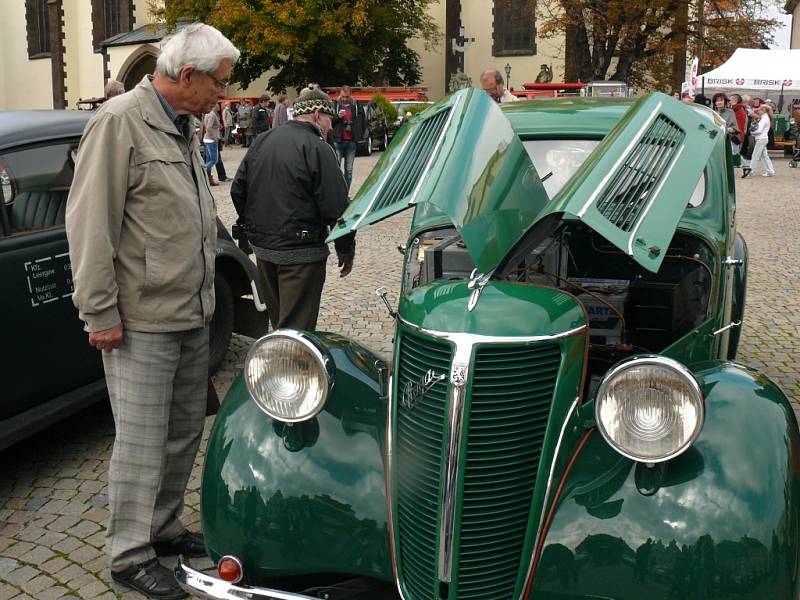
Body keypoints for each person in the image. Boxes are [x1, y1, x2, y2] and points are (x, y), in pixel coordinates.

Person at [65, 23, 239, 600]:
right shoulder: (119, 124)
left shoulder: (184, 127)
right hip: (139, 321)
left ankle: (162, 527)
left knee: (182, 431)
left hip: (191, 314)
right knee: (141, 440)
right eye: (219, 82)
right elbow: (90, 226)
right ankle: (128, 554)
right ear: (187, 76)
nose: (225, 94)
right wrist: (98, 313)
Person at [231, 84, 356, 331]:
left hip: (265, 251)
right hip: (301, 254)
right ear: (318, 115)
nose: (332, 127)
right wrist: (346, 250)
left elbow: (238, 190)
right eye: (330, 120)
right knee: (297, 332)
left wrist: (254, 232)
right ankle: (293, 368)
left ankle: (280, 365)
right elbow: (337, 207)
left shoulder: (263, 140)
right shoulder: (319, 148)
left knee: (279, 324)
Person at [331, 85, 365, 191]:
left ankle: (345, 194)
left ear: (351, 95)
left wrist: (359, 135)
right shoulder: (334, 105)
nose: (345, 99)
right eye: (343, 96)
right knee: (336, 170)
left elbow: (363, 121)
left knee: (349, 170)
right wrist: (338, 116)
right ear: (340, 95)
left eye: (347, 96)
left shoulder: (356, 105)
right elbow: (329, 121)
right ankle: (338, 194)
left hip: (351, 141)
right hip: (338, 141)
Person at [745, 104, 775, 177]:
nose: (758, 111)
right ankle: (770, 171)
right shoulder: (765, 118)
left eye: (760, 110)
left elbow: (759, 131)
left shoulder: (764, 119)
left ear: (764, 111)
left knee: (755, 155)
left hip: (761, 139)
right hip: (763, 139)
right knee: (764, 156)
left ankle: (751, 171)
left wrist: (752, 132)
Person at [712, 93, 741, 165]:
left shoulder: (730, 112)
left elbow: (735, 128)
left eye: (721, 100)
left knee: (728, 161)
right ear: (715, 102)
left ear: (725, 101)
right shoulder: (712, 113)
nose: (719, 102)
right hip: (715, 140)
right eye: (717, 100)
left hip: (727, 140)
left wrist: (724, 130)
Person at [203, 106, 222, 185]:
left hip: (207, 139)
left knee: (208, 160)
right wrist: (214, 137)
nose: (218, 105)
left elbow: (207, 126)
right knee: (214, 160)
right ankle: (202, 171)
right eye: (217, 103)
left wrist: (218, 126)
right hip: (211, 140)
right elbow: (208, 128)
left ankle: (210, 180)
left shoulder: (207, 114)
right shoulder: (212, 114)